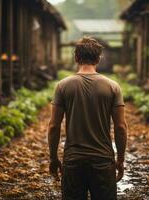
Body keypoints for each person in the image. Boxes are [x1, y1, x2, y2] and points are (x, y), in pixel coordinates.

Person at [47, 37, 128, 200]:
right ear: (98, 59)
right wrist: (120, 159)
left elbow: (54, 126)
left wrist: (53, 158)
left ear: (76, 57)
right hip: (103, 160)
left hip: (73, 160)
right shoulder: (113, 87)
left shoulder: (63, 86)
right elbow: (121, 127)